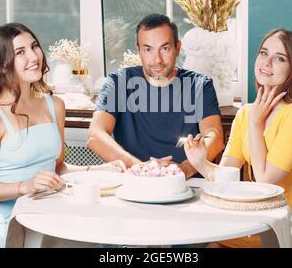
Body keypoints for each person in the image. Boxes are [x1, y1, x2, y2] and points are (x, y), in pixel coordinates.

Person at [0, 23, 126, 248]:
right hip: (4, 224)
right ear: (2, 66)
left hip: (48, 213)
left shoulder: (55, 105)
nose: (33, 56)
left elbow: (57, 167)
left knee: (103, 240)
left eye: (34, 46)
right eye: (20, 52)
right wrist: (25, 186)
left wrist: (100, 170)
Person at [184, 28, 292, 248]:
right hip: (263, 220)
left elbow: (265, 180)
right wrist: (200, 162)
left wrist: (256, 124)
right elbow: (227, 177)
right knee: (211, 244)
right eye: (264, 53)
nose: (267, 62)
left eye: (280, 58)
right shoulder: (246, 114)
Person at [88, 13, 224, 178]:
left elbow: (215, 137)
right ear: (138, 50)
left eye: (165, 48)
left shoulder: (200, 85)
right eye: (148, 49)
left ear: (177, 48)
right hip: (133, 181)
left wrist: (184, 169)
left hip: (185, 183)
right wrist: (144, 170)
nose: (157, 59)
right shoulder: (118, 82)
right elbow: (95, 135)